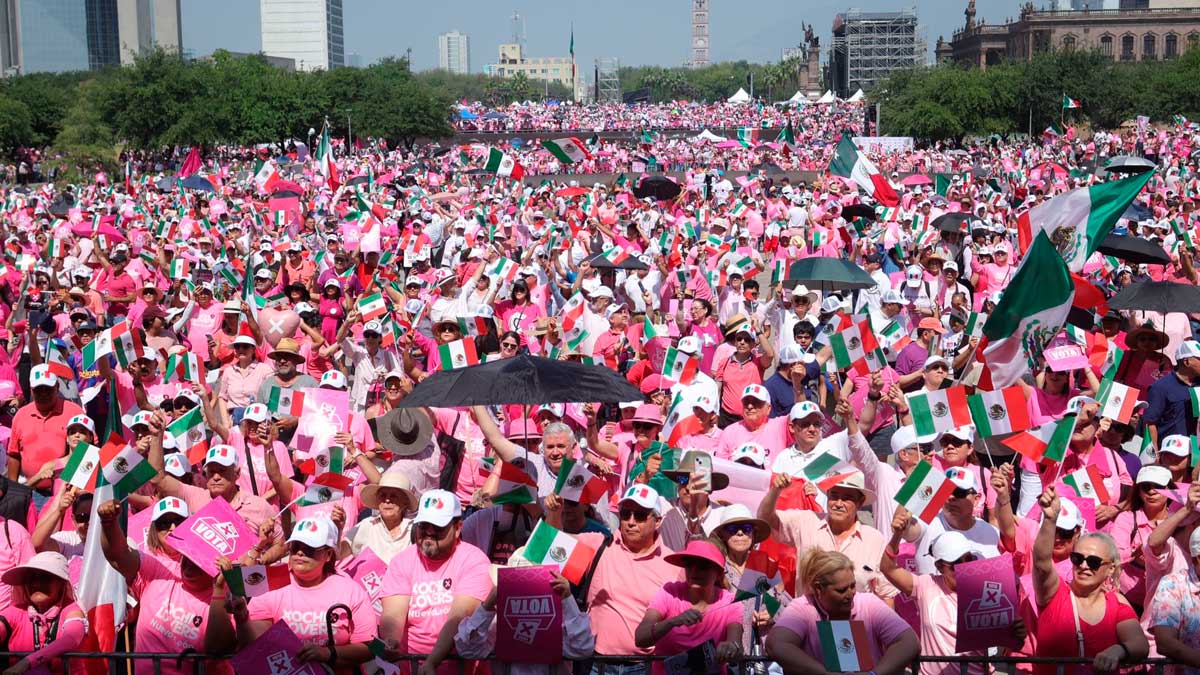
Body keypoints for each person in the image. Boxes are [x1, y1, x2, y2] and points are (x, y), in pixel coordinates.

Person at [207, 516, 377, 672]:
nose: (300, 553)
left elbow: (371, 648)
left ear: (328, 554)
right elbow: (254, 643)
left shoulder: (350, 590)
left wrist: (327, 653)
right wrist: (242, 617)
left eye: (310, 548)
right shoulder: (271, 582)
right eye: (295, 547)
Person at [97, 496, 232, 675]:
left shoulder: (218, 575)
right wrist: (108, 523)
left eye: (179, 521)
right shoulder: (153, 565)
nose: (172, 528)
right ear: (154, 529)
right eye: (164, 523)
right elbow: (118, 555)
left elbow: (220, 648)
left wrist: (219, 589)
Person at [1031, 486, 1148, 675]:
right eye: (1078, 559)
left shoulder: (1116, 603)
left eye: (1093, 562)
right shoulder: (1055, 594)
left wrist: (1119, 650)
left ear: (1110, 568)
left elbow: (1140, 645)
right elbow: (1041, 564)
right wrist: (1050, 519)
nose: (1084, 566)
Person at [379, 490, 493, 675]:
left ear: (457, 528)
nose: (430, 532)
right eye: (424, 526)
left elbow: (459, 617)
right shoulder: (402, 561)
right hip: (413, 667)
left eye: (438, 527)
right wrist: (391, 641)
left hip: (461, 668)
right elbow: (393, 614)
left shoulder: (474, 560)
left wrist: (433, 661)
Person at [765, 548, 919, 675]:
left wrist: (875, 674)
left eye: (852, 586)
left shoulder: (868, 602)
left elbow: (909, 642)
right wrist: (825, 674)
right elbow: (775, 645)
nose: (850, 593)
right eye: (841, 590)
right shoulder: (801, 607)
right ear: (818, 588)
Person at [588, 485, 683, 675]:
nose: (630, 522)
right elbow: (546, 545)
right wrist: (555, 513)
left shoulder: (674, 566)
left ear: (657, 521)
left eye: (639, 515)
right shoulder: (599, 545)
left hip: (646, 666)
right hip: (596, 664)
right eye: (625, 514)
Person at [454, 550, 595, 675]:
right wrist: (487, 605)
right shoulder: (499, 620)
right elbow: (467, 649)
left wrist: (567, 599)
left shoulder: (561, 616)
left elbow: (583, 648)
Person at [634, 540, 744, 674]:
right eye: (689, 564)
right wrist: (672, 622)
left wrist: (731, 647)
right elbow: (640, 638)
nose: (694, 571)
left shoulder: (731, 602)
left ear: (719, 573)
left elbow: (736, 645)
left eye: (703, 566)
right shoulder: (669, 592)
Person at [0, 551, 88, 674]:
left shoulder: (71, 610)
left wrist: (26, 663)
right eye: (31, 578)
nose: (36, 583)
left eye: (45, 577)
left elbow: (71, 638)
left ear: (62, 583)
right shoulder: (15, 613)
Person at [8, 365, 83, 502]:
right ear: (31, 390)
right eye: (39, 390)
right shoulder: (21, 415)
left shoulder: (73, 412)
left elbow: (87, 449)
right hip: (31, 492)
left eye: (47, 389)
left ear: (57, 388)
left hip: (66, 492)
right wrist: (13, 491)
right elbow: (14, 454)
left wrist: (66, 481)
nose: (43, 394)